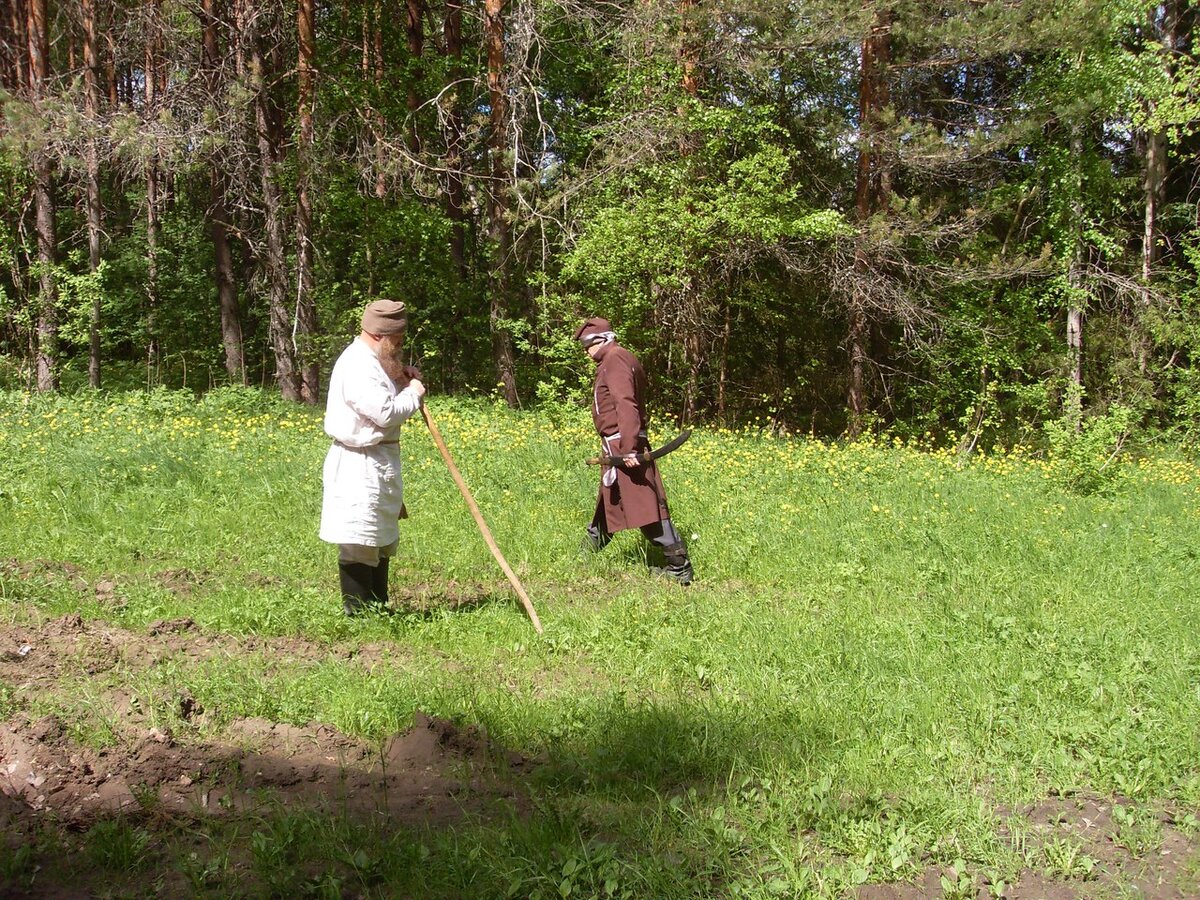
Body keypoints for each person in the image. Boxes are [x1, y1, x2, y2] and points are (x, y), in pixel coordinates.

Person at [320, 299, 426, 615]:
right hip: (358, 463)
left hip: (379, 460)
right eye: (397, 341)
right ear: (381, 335)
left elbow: (381, 391)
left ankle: (378, 610)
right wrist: (414, 393)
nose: (399, 347)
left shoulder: (372, 360)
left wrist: (400, 379)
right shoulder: (356, 364)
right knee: (359, 538)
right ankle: (359, 614)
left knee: (380, 537)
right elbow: (383, 412)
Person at [575, 316, 694, 585]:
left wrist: (628, 448)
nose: (586, 351)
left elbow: (625, 403)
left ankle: (679, 567)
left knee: (645, 507)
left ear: (602, 340)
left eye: (587, 345)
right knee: (611, 501)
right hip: (618, 444)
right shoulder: (618, 358)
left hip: (623, 444)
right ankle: (581, 559)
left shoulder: (615, 358)